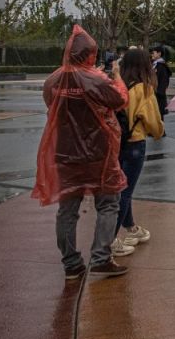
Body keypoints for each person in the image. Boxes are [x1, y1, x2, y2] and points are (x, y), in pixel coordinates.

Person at [32, 25, 130, 279]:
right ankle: (100, 258)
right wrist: (117, 76)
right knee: (108, 203)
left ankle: (71, 263)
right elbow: (120, 100)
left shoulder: (53, 80)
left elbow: (51, 105)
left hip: (65, 153)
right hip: (98, 152)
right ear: (90, 54)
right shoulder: (96, 79)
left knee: (67, 208)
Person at [110, 48, 165, 257]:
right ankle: (110, 239)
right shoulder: (143, 89)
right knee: (125, 192)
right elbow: (153, 123)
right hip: (134, 142)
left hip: (116, 142)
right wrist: (158, 132)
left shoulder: (117, 85)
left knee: (122, 188)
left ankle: (131, 227)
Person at [150, 44, 172, 115]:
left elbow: (164, 82)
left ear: (159, 53)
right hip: (154, 96)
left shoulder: (161, 66)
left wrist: (157, 93)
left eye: (153, 53)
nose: (152, 54)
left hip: (158, 98)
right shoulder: (154, 64)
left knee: (159, 117)